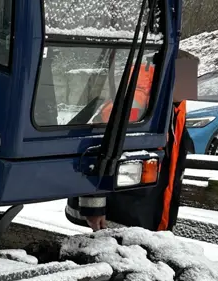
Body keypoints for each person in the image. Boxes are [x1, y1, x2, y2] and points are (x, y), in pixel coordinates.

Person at [65, 51, 198, 232]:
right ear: (168, 76)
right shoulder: (134, 105)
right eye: (187, 78)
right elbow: (94, 152)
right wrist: (93, 207)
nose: (190, 87)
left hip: (146, 211)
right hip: (120, 215)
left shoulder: (173, 105)